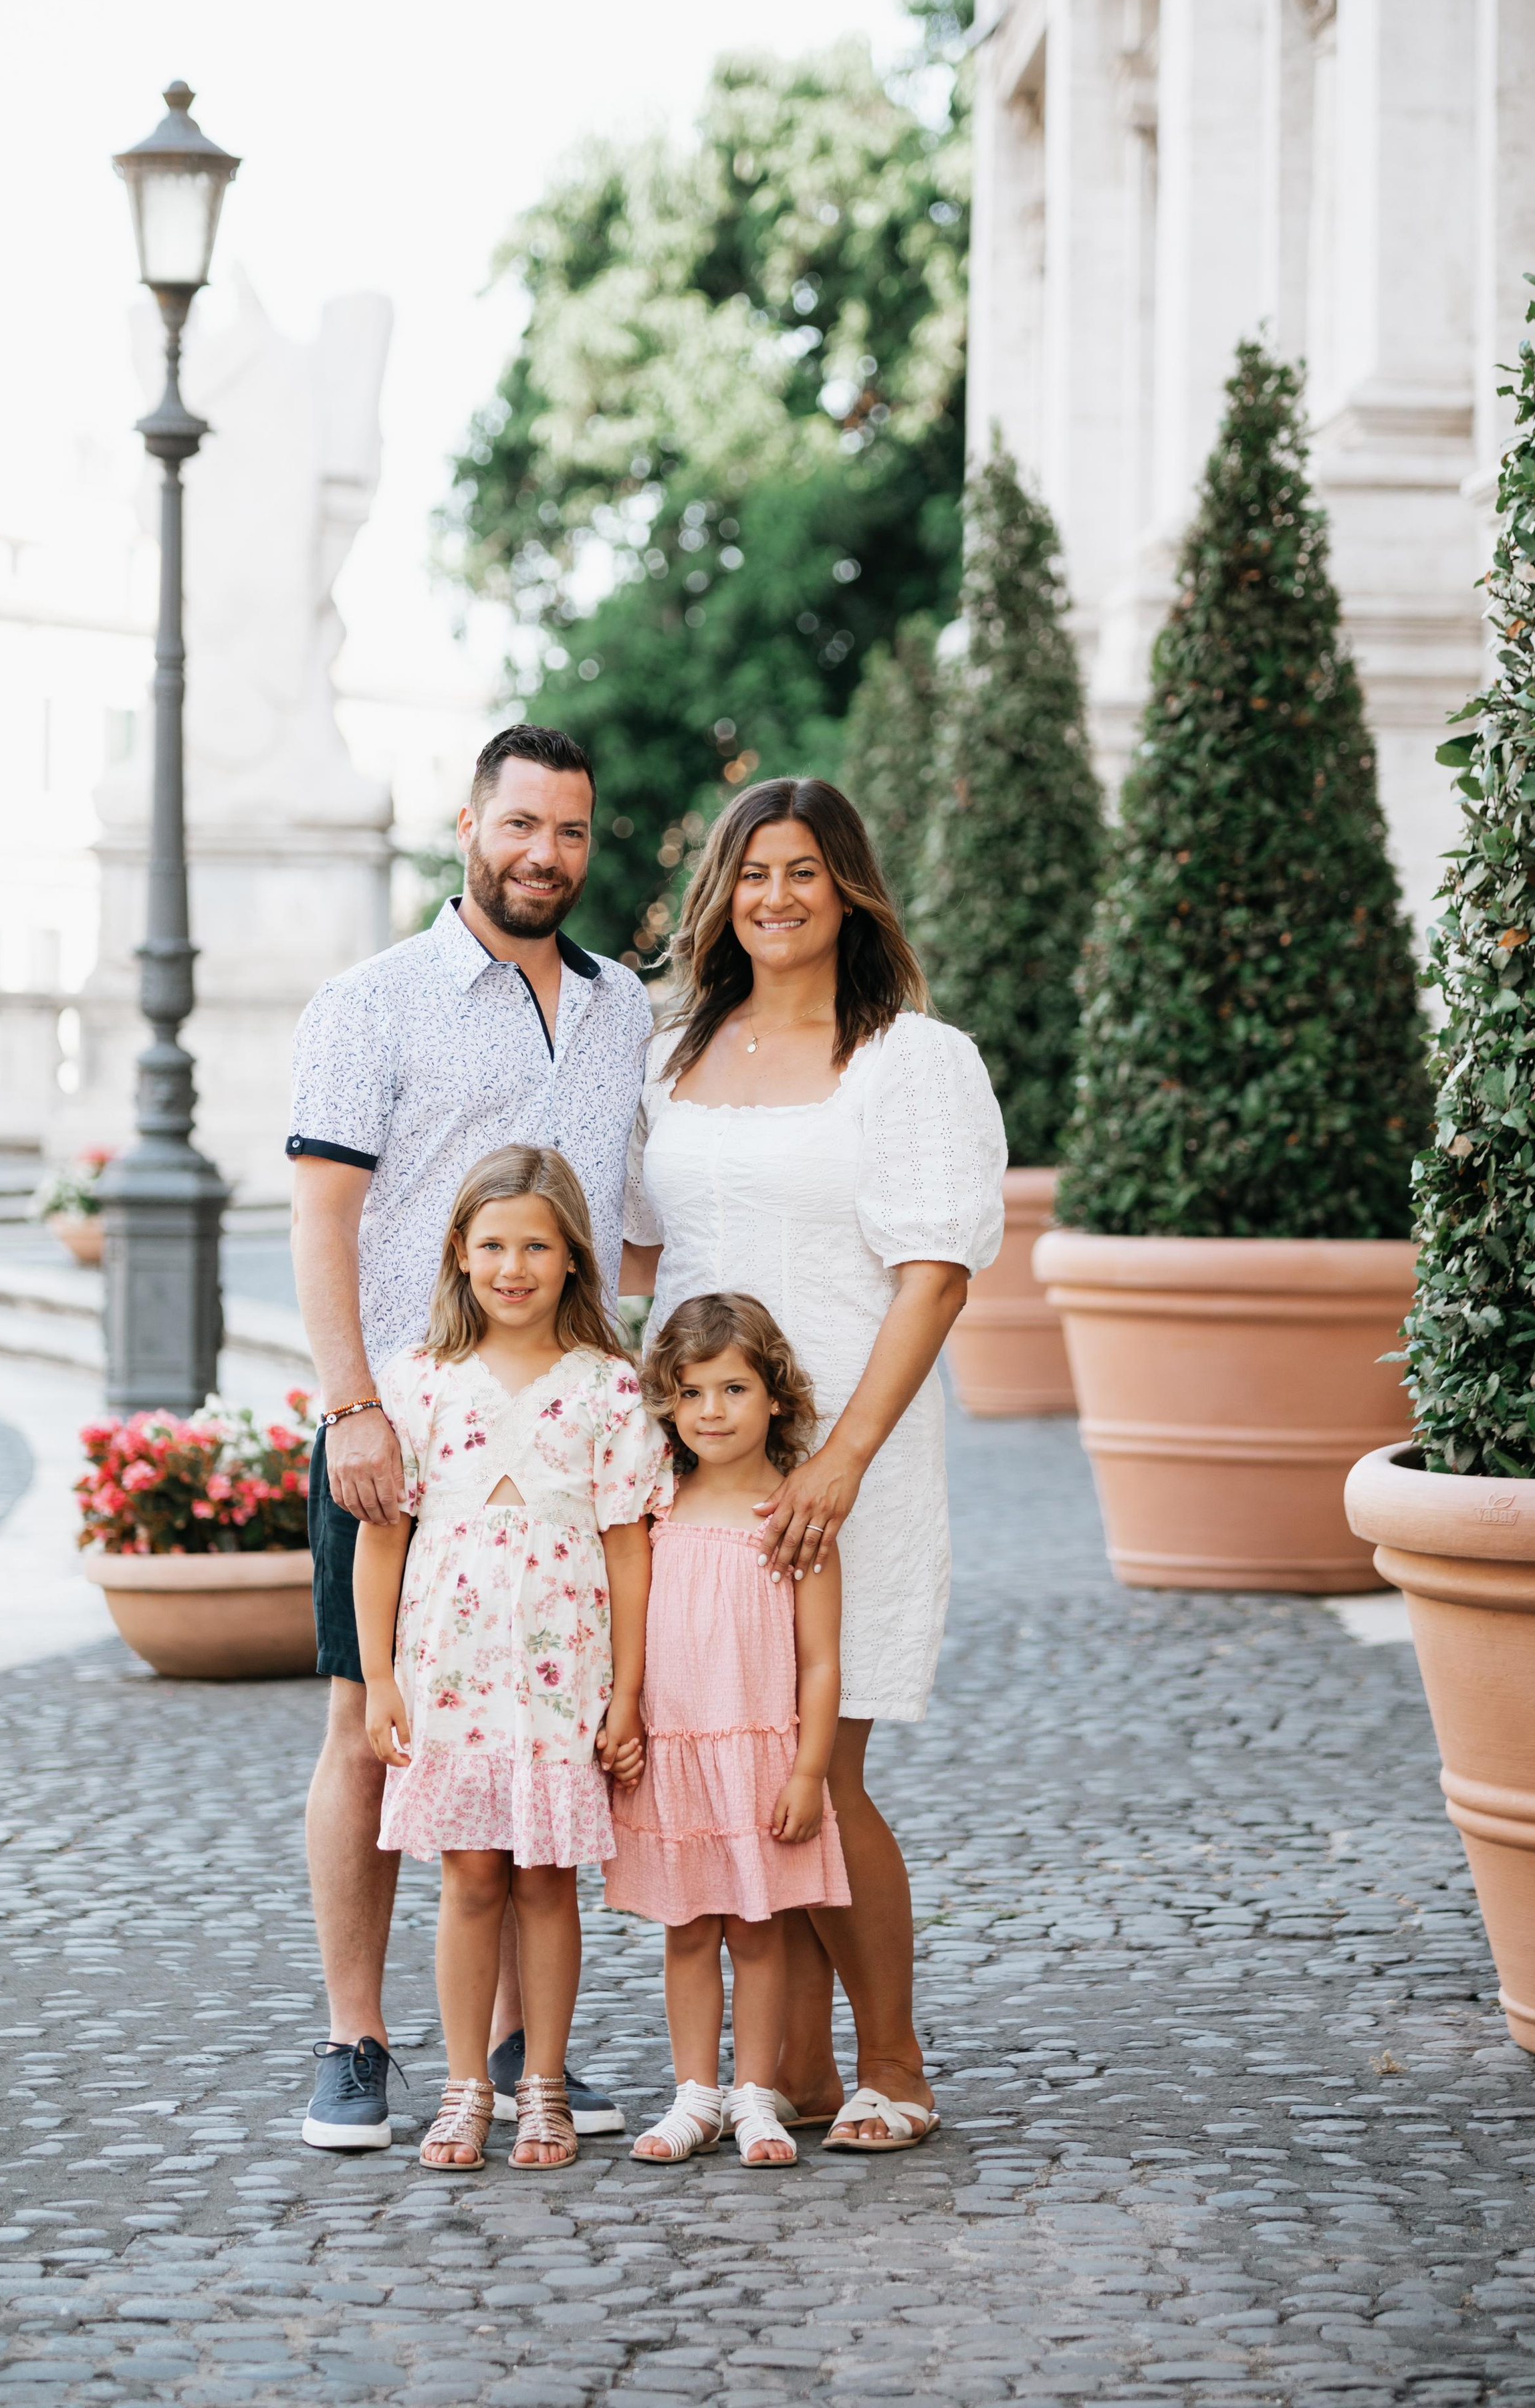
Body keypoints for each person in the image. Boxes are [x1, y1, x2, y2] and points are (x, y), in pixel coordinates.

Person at [620, 777, 1006, 2151]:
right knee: (728, 1765)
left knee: (817, 1767)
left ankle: (891, 2060)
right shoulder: (674, 1052)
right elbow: (641, 1262)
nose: (772, 897)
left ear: (848, 887)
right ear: (717, 895)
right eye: (748, 873)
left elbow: (936, 1272)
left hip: (850, 1456)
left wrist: (839, 1459)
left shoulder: (910, 1059)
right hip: (701, 1468)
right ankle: (791, 2072)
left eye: (800, 871)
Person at [287, 724, 651, 2153]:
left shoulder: (624, 1009)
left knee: (541, 1734)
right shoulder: (369, 1003)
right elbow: (321, 1219)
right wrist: (351, 1409)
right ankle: (357, 2038)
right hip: (404, 1419)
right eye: (518, 826)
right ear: (465, 825)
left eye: (567, 831)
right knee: (368, 1726)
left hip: (563, 1432)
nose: (541, 855)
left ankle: (513, 2041)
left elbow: (628, 1220)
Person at [354, 1145, 669, 2171]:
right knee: (471, 1879)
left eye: (537, 1244)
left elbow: (628, 1542)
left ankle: (543, 2085)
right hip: (450, 1670)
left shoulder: (609, 1388)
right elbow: (385, 1537)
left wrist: (627, 1695)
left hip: (563, 1672)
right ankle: (465, 2085)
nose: (513, 1266)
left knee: (546, 1883)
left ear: (576, 1258)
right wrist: (380, 1677)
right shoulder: (419, 1379)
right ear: (458, 1253)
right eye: (492, 1244)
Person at [606, 1291, 849, 2169]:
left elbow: (821, 1660)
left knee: (759, 1930)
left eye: (734, 1390)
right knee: (686, 1928)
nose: (713, 1410)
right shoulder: (655, 1508)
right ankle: (693, 2095)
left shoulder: (790, 1517)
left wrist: (809, 1771)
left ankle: (755, 2096)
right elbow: (625, 1626)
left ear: (775, 1396)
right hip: (674, 1754)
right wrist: (622, 1710)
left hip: (760, 1759)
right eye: (694, 1391)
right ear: (669, 1401)